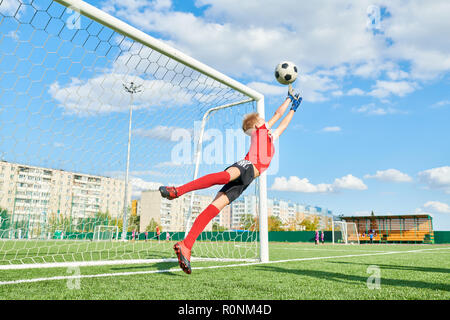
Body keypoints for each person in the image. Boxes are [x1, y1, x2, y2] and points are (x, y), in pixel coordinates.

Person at [159, 87, 302, 274]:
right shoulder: (260, 131)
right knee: (224, 176)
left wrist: (294, 108)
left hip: (247, 180)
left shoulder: (269, 137)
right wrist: (289, 100)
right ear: (256, 125)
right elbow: (277, 115)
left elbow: (283, 125)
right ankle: (177, 190)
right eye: (261, 120)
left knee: (213, 208)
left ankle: (187, 245)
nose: (265, 120)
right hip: (247, 166)